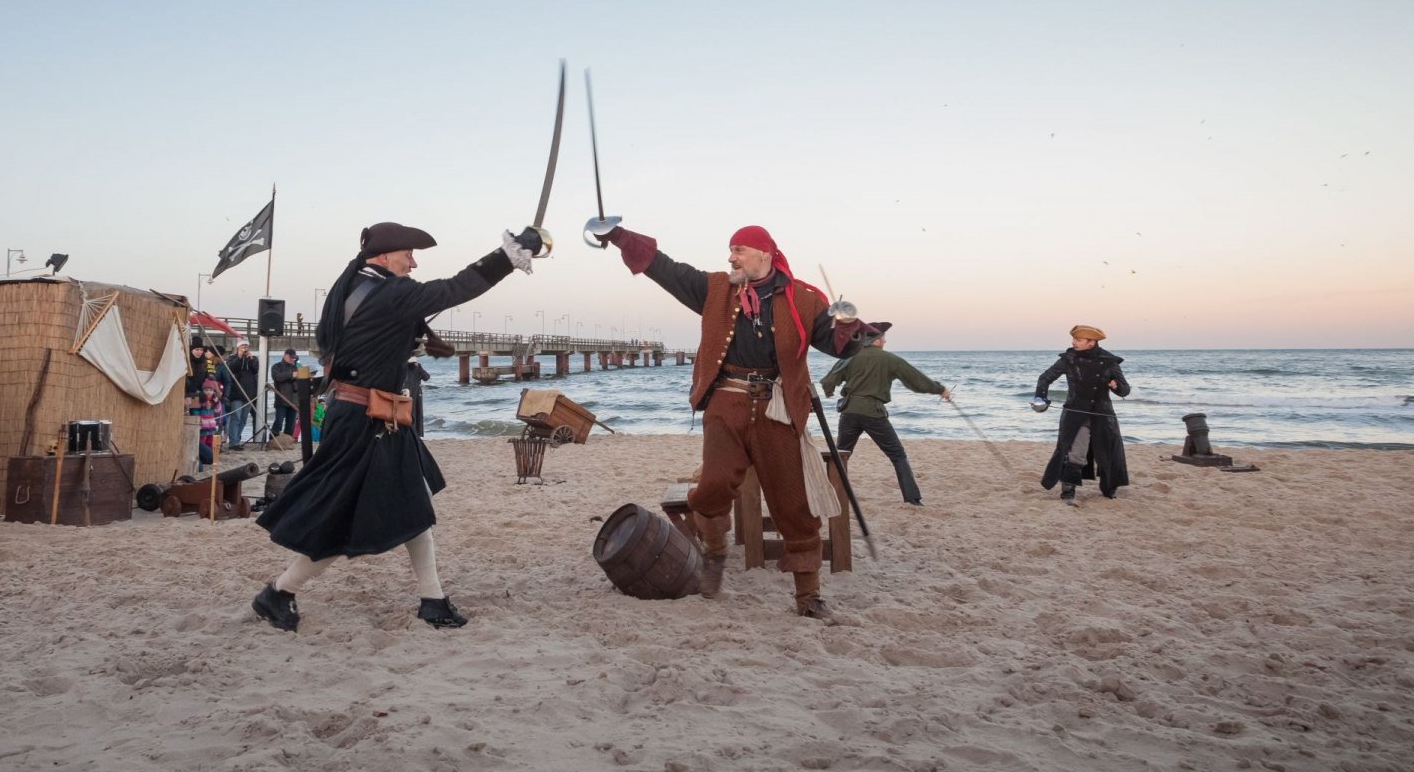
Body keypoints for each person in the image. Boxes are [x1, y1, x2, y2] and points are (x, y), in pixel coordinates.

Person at [251, 221, 546, 633]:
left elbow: (362, 337)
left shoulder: (350, 283)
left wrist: (409, 339)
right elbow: (455, 289)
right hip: (367, 422)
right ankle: (278, 592)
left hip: (367, 416)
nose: (413, 261)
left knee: (414, 505)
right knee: (340, 518)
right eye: (407, 254)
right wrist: (508, 257)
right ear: (384, 256)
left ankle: (432, 599)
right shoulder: (392, 292)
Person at [589, 220, 877, 623]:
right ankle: (716, 554)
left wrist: (855, 332)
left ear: (765, 254)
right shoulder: (715, 289)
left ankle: (808, 596)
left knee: (792, 502)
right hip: (726, 403)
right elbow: (665, 267)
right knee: (712, 486)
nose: (731, 257)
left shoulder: (805, 298)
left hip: (777, 407)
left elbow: (836, 343)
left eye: (739, 250)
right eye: (731, 250)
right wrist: (619, 236)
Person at [819, 322, 950, 507]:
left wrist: (830, 392)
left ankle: (829, 495)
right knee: (897, 454)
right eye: (884, 338)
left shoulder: (849, 357)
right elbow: (916, 381)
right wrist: (940, 389)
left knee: (841, 455)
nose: (886, 341)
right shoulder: (889, 359)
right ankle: (912, 499)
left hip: (849, 412)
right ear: (877, 341)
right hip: (873, 413)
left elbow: (828, 381)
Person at [1034, 324, 1131, 505]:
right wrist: (1041, 399)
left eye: (1078, 340)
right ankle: (1068, 493)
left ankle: (1109, 490)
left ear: (1091, 342)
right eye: (1074, 339)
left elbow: (1125, 390)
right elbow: (1045, 378)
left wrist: (1117, 387)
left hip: (1103, 415)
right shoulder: (1068, 359)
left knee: (1107, 454)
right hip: (1076, 413)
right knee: (1076, 452)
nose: (1074, 343)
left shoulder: (1109, 361)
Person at [224, 342, 260, 449]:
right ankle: (233, 442)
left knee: (244, 419)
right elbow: (231, 368)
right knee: (236, 418)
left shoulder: (253, 359)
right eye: (242, 346)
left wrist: (252, 359)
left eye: (246, 346)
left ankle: (236, 438)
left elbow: (255, 370)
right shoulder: (232, 358)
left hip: (249, 393)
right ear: (237, 347)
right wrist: (239, 357)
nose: (245, 348)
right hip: (236, 393)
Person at [269, 349, 299, 437]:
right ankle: (272, 439)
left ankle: (287, 440)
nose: (292, 360)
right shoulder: (276, 366)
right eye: (290, 358)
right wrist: (291, 375)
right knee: (279, 421)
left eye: (293, 358)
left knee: (291, 424)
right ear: (285, 355)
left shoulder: (295, 367)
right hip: (281, 399)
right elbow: (277, 377)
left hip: (294, 400)